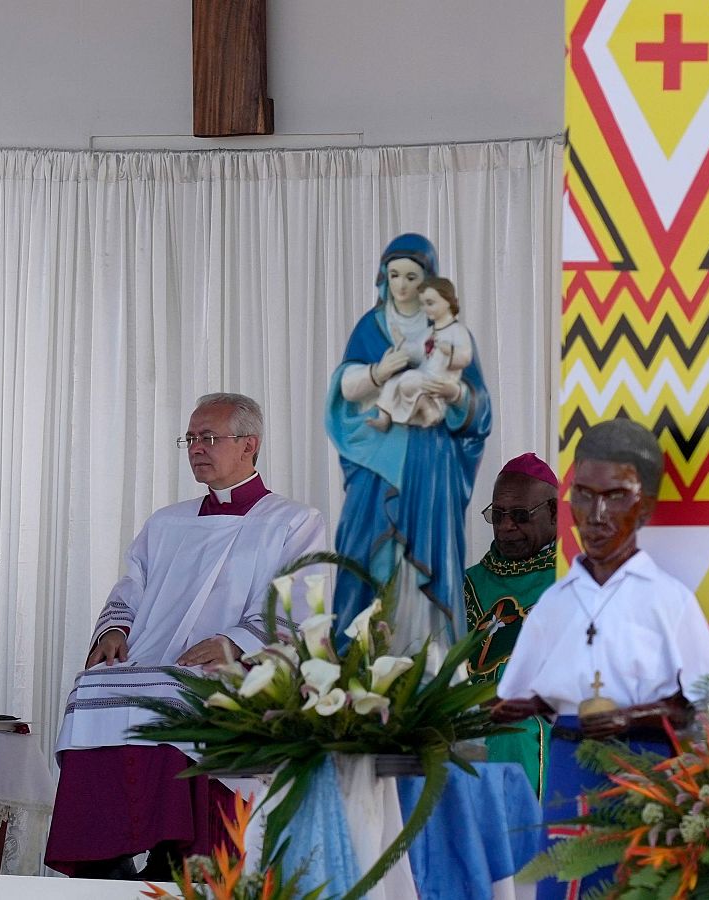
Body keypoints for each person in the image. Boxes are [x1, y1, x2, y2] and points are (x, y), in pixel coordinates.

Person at [45, 392, 326, 879]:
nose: (196, 447)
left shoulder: (293, 521)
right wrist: (114, 627)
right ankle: (104, 858)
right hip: (157, 662)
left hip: (240, 672)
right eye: (191, 438)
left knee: (183, 694)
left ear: (248, 445)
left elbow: (300, 602)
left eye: (209, 437)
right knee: (94, 687)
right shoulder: (167, 522)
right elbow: (131, 584)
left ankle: (177, 851)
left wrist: (235, 642)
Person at [493, 418, 709, 900]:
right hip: (566, 768)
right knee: (561, 886)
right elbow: (518, 694)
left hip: (642, 770)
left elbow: (707, 701)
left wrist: (635, 715)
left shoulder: (666, 600)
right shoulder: (556, 601)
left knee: (630, 886)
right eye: (584, 494)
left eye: (615, 496)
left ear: (645, 506)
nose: (596, 514)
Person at [326, 233, 492, 654]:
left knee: (427, 556)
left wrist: (455, 395)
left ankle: (428, 662)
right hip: (377, 466)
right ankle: (361, 663)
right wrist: (379, 372)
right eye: (394, 274)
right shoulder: (372, 325)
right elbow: (344, 387)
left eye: (412, 277)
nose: (402, 285)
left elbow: (479, 407)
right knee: (365, 550)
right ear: (384, 276)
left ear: (428, 281)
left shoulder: (450, 330)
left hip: (428, 461)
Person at [463, 452, 560, 798]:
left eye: (520, 516)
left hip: (545, 717)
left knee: (515, 732)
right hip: (469, 715)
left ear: (554, 512)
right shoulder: (470, 583)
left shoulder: (574, 582)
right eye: (498, 515)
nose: (506, 527)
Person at [369, 277, 475, 432]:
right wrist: (401, 342)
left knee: (409, 379)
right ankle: (384, 417)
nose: (426, 308)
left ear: (447, 301)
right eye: (423, 304)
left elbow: (465, 357)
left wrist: (451, 351)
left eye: (430, 303)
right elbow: (417, 352)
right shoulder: (429, 332)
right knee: (393, 382)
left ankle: (429, 410)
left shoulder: (457, 331)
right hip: (424, 375)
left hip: (440, 380)